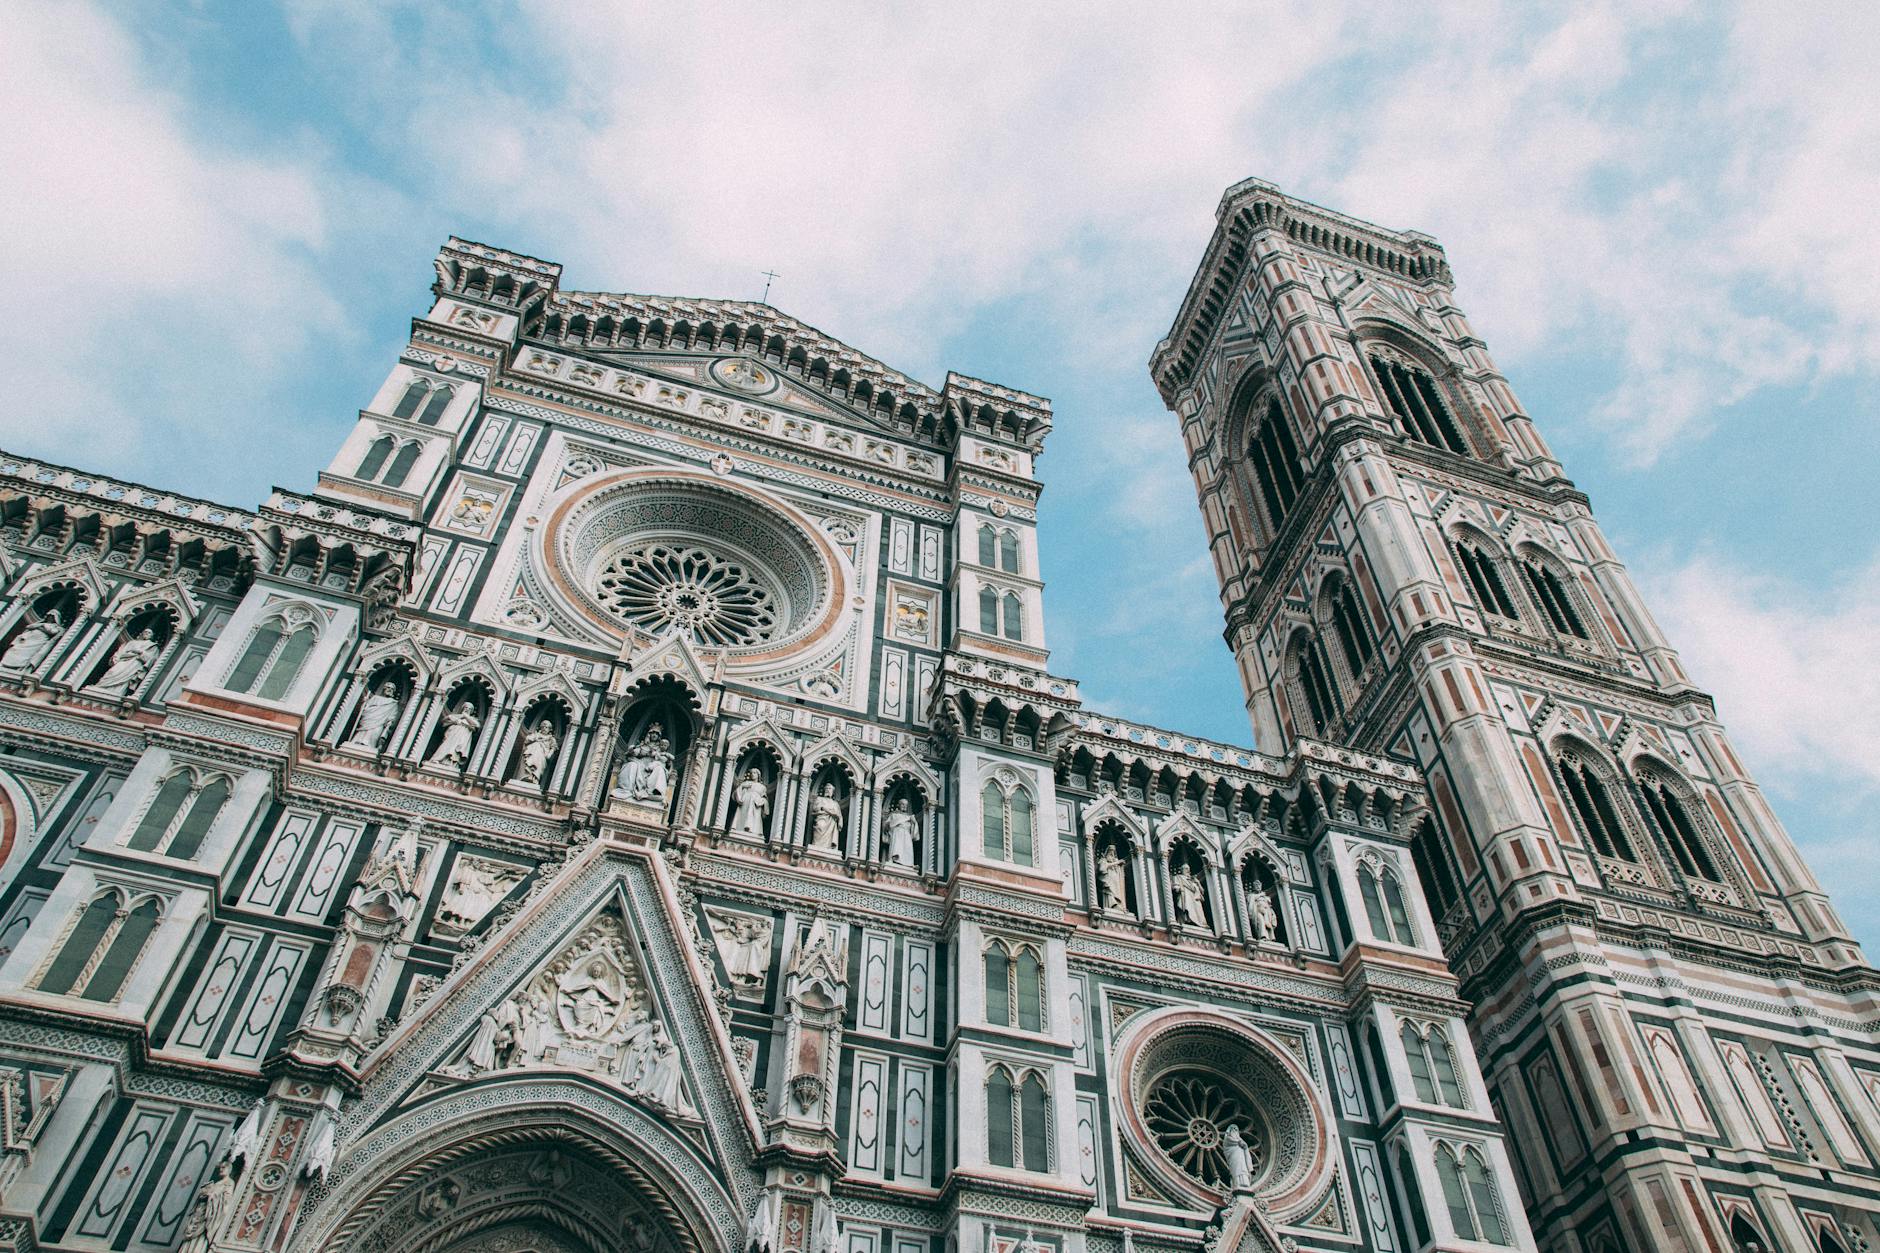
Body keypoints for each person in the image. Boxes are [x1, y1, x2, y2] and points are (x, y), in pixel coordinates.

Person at [178, 1158, 235, 1253]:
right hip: (201, 1212)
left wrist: (213, 1197)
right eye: (220, 1167)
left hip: (210, 1216)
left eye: (223, 1168)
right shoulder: (216, 1183)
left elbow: (226, 1201)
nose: (220, 1169)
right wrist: (204, 1194)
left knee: (201, 1238)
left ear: (229, 1169)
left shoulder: (229, 1183)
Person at [90, 628, 159, 699]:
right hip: (124, 660)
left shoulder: (153, 646)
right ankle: (100, 686)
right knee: (112, 672)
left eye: (149, 633)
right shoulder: (132, 642)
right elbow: (121, 651)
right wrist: (116, 658)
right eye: (145, 632)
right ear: (142, 633)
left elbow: (151, 659)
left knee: (124, 679)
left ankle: (116, 692)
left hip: (135, 664)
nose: (146, 634)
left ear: (152, 636)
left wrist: (141, 652)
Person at [616, 726, 673, 800]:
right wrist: (632, 750)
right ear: (649, 734)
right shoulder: (642, 745)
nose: (654, 735)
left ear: (659, 736)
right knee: (631, 765)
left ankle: (654, 792)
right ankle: (626, 789)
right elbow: (635, 753)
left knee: (660, 769)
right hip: (640, 764)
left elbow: (667, 761)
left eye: (657, 734)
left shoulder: (661, 748)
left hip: (653, 767)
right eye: (652, 733)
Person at [344, 682, 401, 753]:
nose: (390, 690)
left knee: (374, 734)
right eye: (388, 687)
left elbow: (393, 715)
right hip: (368, 720)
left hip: (380, 723)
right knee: (361, 734)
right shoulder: (375, 698)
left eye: (392, 689)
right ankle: (357, 742)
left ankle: (370, 746)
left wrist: (390, 722)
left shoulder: (393, 703)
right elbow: (365, 709)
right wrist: (364, 703)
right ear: (384, 689)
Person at [428, 700, 480, 770]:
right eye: (465, 707)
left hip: (462, 738)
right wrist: (458, 719)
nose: (467, 709)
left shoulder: (471, 719)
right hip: (452, 735)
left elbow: (477, 725)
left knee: (456, 751)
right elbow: (445, 720)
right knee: (446, 746)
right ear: (462, 708)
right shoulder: (456, 716)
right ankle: (437, 759)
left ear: (471, 711)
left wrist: (465, 716)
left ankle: (452, 765)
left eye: (469, 708)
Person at [518, 719, 560, 786]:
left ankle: (533, 778)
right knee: (535, 747)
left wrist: (549, 754)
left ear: (550, 729)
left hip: (541, 756)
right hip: (531, 753)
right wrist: (536, 738)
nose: (544, 728)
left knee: (538, 763)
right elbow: (527, 740)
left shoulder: (551, 739)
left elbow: (553, 748)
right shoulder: (536, 735)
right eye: (542, 727)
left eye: (546, 727)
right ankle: (526, 776)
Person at [729, 768, 770, 837]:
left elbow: (765, 799)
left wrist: (762, 801)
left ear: (758, 775)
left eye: (754, 773)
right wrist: (742, 786)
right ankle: (739, 829)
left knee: (754, 817)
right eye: (751, 773)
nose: (752, 774)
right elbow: (735, 795)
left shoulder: (762, 787)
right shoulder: (745, 783)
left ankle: (753, 831)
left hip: (755, 804)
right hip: (745, 802)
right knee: (743, 815)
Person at [807, 782, 843, 850]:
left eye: (829, 788)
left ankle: (828, 847)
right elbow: (815, 808)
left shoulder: (835, 803)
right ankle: (817, 845)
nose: (827, 790)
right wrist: (827, 811)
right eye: (826, 788)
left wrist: (840, 822)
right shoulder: (820, 799)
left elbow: (838, 814)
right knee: (820, 826)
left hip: (831, 822)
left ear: (833, 792)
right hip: (822, 818)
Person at [1173, 864, 1209, 929]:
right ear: (1181, 870)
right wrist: (1177, 888)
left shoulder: (1193, 880)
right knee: (1187, 907)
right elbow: (1175, 885)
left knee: (1198, 911)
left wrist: (1198, 882)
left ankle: (1199, 923)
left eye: (1188, 869)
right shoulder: (1178, 877)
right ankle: (1187, 921)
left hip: (1195, 898)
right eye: (1185, 869)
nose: (1187, 870)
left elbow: (1202, 891)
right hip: (1186, 895)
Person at [884, 797, 918, 866]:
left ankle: (908, 863)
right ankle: (895, 859)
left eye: (905, 805)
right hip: (897, 833)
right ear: (898, 805)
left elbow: (914, 831)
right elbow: (886, 826)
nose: (904, 806)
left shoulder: (910, 817)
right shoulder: (893, 815)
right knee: (897, 847)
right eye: (902, 804)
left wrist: (914, 823)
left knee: (907, 848)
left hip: (907, 834)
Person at [1098, 846, 1129, 913]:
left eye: (1113, 853)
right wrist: (1117, 863)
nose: (1112, 855)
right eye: (1110, 853)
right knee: (1110, 891)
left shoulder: (1115, 861)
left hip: (1115, 879)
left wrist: (1120, 866)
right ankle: (1111, 905)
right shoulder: (1103, 860)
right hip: (1108, 878)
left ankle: (1119, 906)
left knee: (1117, 892)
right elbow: (1102, 868)